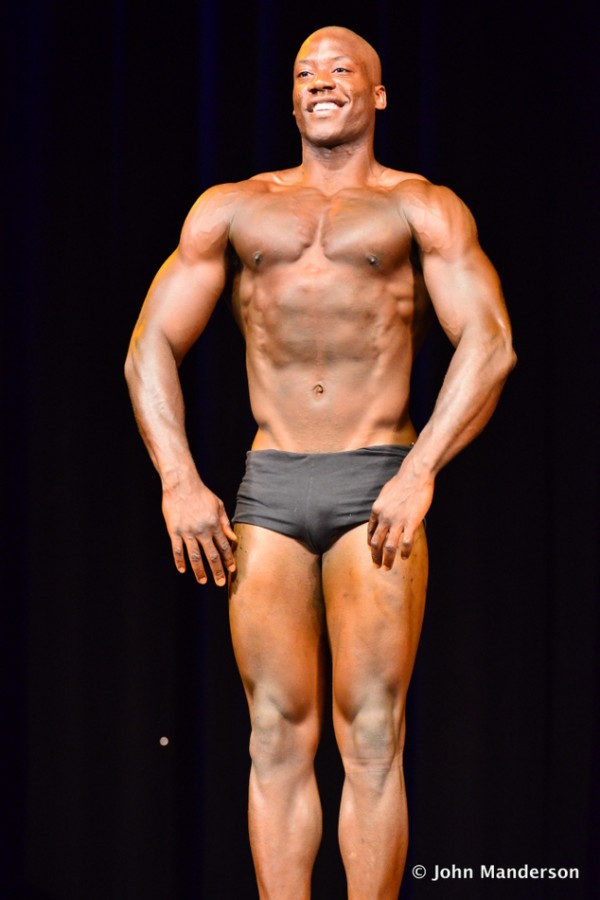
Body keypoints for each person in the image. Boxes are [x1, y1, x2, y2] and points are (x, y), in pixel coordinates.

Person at [125, 25, 515, 899]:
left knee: (371, 735)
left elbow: (490, 343)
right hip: (270, 485)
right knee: (273, 734)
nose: (321, 81)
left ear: (377, 95)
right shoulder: (232, 208)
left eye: (342, 70)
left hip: (376, 480)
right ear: (292, 97)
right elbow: (149, 343)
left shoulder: (421, 207)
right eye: (306, 71)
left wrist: (419, 472)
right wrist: (179, 478)